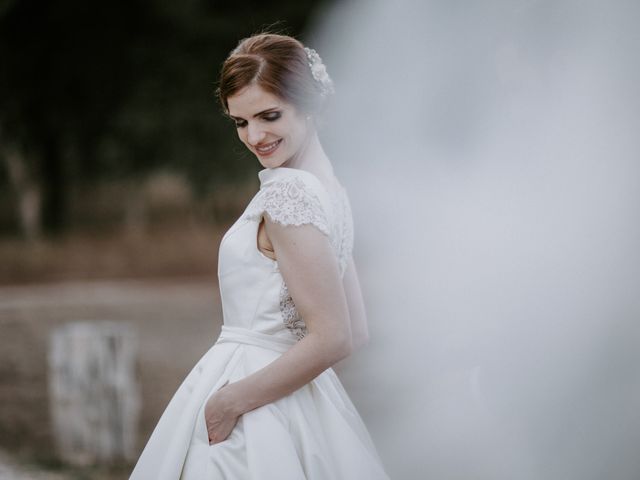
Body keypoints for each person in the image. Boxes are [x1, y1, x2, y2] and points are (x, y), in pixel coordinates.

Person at [129, 31, 390, 479]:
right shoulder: (331, 190)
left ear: (308, 104)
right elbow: (357, 328)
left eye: (270, 116)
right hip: (291, 394)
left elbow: (336, 336)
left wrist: (231, 401)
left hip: (250, 399)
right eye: (240, 122)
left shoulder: (290, 193)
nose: (255, 136)